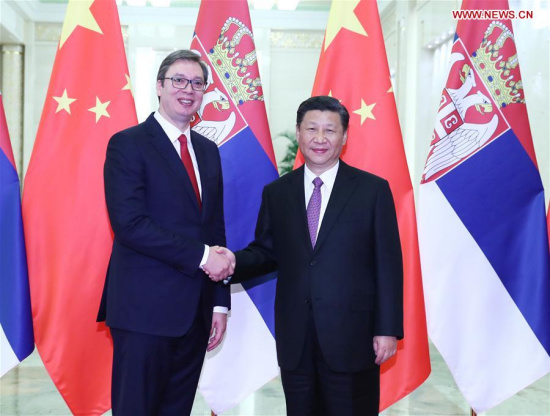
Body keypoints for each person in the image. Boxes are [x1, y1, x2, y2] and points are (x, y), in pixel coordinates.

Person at [216, 96, 403, 416]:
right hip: (296, 338)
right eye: (311, 129)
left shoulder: (372, 190)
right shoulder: (277, 192)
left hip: (352, 337)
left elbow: (388, 264)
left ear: (344, 137)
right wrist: (231, 262)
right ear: (298, 133)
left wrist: (386, 328)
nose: (320, 138)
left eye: (330, 130)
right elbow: (266, 251)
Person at [97, 50, 233, 415]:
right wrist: (204, 257)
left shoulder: (207, 151)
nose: (187, 89)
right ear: (159, 86)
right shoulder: (127, 144)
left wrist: (220, 302)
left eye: (197, 83)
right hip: (144, 312)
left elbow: (214, 227)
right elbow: (130, 224)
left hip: (196, 313)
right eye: (178, 80)